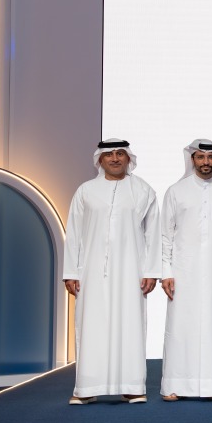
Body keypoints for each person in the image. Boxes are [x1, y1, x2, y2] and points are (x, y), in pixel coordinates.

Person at [62, 138, 159, 404]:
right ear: (100, 159)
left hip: (131, 271)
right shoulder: (86, 191)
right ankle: (86, 389)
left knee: (130, 326)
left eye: (120, 154)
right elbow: (74, 234)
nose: (115, 159)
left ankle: (132, 387)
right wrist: (71, 271)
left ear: (129, 158)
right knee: (91, 326)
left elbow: (153, 234)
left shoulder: (143, 191)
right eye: (109, 155)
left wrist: (151, 270)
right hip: (91, 271)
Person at [159, 139, 212, 401]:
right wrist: (166, 272)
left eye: (210, 158)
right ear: (192, 159)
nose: (205, 162)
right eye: (200, 157)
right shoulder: (176, 191)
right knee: (180, 327)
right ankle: (175, 386)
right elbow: (165, 236)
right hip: (183, 272)